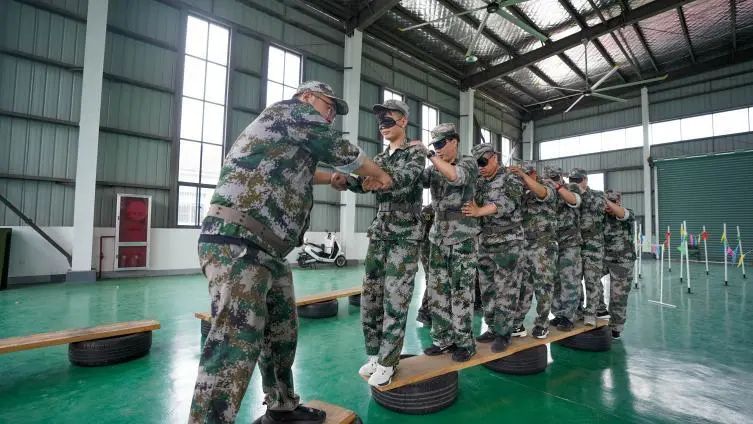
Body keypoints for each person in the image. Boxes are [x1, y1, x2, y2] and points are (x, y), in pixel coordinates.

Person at [189, 81, 393, 424]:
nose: (330, 116)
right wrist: (380, 174)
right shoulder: (290, 111)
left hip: (268, 252)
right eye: (329, 107)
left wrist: (332, 179)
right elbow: (341, 150)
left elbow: (299, 169)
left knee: (281, 333)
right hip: (239, 242)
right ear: (307, 97)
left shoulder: (289, 135)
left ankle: (282, 407)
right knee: (234, 344)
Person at [332, 99, 425, 387]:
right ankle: (374, 354)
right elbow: (364, 182)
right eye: (380, 121)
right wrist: (346, 181)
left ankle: (388, 361)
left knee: (396, 298)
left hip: (405, 234)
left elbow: (406, 178)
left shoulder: (415, 152)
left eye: (388, 120)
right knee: (371, 296)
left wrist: (382, 179)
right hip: (381, 231)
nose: (382, 126)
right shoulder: (381, 158)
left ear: (403, 121)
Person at [415, 123, 479, 362]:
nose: (438, 149)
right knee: (437, 289)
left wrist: (429, 154)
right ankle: (443, 340)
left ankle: (464, 343)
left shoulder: (468, 163)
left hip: (463, 237)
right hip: (438, 236)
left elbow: (455, 177)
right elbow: (416, 179)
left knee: (461, 291)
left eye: (441, 144)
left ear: (454, 141)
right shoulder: (434, 168)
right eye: (435, 145)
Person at [461, 143, 524, 353]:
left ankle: (504, 333)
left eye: (483, 162)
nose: (480, 167)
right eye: (476, 164)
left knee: (506, 288)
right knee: (487, 288)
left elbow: (509, 202)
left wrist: (480, 211)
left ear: (494, 157)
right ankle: (492, 327)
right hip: (485, 241)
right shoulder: (478, 181)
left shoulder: (510, 178)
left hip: (508, 241)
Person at [508, 161, 558, 339]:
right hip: (522, 245)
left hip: (543, 246)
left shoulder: (546, 186)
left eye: (524, 175)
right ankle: (517, 323)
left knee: (543, 287)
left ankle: (542, 324)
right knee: (523, 287)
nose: (521, 180)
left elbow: (543, 194)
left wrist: (522, 176)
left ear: (533, 174)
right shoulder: (519, 193)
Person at [568, 168, 608, 327]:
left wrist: (582, 193)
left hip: (593, 245)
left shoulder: (597, 195)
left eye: (577, 180)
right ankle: (577, 310)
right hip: (574, 244)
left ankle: (591, 312)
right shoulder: (569, 196)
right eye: (572, 180)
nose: (574, 183)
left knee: (592, 280)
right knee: (574, 280)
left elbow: (598, 208)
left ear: (585, 180)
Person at [546, 165, 583, 332]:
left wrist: (557, 187)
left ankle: (569, 316)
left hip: (570, 242)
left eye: (555, 178)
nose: (552, 180)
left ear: (561, 177)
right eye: (550, 178)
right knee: (555, 280)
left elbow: (574, 200)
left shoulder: (571, 187)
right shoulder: (546, 191)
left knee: (570, 280)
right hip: (552, 242)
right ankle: (558, 313)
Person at [603, 190, 635, 339]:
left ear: (618, 202)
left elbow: (622, 214)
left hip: (623, 262)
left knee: (618, 297)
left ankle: (616, 327)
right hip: (604, 259)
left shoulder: (627, 213)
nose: (609, 206)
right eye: (607, 202)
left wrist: (607, 202)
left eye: (612, 202)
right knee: (588, 278)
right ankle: (598, 309)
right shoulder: (602, 217)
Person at [416, 204, 435, 326]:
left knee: (433, 280)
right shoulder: (428, 210)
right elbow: (422, 230)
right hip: (428, 249)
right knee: (432, 280)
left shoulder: (434, 209)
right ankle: (425, 312)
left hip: (431, 248)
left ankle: (428, 312)